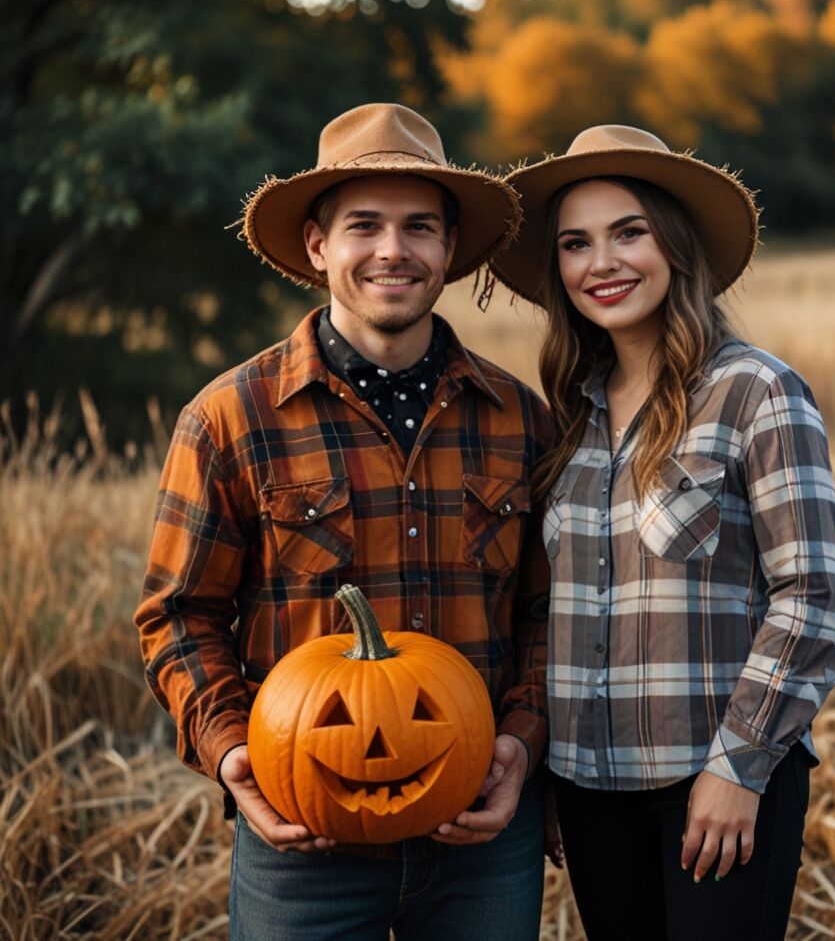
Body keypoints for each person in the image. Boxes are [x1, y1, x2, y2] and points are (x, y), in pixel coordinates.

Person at [135, 103, 554, 941]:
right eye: (364, 225)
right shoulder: (231, 418)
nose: (393, 249)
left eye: (420, 228)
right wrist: (232, 755)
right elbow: (179, 615)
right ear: (319, 246)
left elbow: (552, 612)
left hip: (481, 834)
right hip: (304, 838)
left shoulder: (520, 418)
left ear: (447, 251)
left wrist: (521, 740)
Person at [489, 124, 835, 940]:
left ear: (676, 245)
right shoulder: (569, 419)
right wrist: (549, 774)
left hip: (715, 782)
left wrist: (739, 768)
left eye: (629, 233)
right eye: (576, 244)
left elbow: (812, 595)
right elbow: (558, 612)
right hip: (586, 791)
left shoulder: (755, 390)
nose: (601, 263)